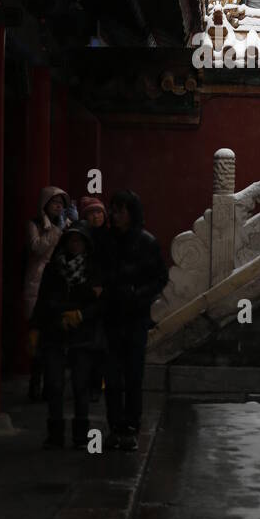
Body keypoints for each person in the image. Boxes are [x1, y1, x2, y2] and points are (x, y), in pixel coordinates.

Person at [100, 191, 168, 452]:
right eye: (113, 210)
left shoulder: (146, 242)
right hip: (111, 317)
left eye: (120, 210)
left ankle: (131, 426)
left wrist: (137, 295)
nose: (115, 215)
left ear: (132, 213)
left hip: (136, 318)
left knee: (133, 377)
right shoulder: (106, 242)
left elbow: (159, 278)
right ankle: (115, 426)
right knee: (112, 378)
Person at [32, 221, 105, 449]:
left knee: (80, 385)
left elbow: (101, 303)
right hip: (54, 331)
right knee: (54, 385)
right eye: (71, 240)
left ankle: (81, 435)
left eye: (79, 240)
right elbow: (43, 299)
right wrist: (37, 327)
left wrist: (81, 315)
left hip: (83, 334)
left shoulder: (94, 269)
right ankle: (55, 434)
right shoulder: (55, 268)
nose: (75, 245)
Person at [24, 186, 78, 401]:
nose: (58, 206)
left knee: (56, 338)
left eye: (61, 202)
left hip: (59, 283)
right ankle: (35, 383)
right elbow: (37, 248)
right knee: (38, 335)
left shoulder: (66, 225)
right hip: (37, 281)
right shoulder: (35, 224)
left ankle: (50, 384)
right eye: (54, 202)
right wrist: (57, 231)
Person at [78, 196, 108, 400]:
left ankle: (96, 385)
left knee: (100, 344)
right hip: (83, 295)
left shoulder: (110, 237)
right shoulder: (79, 237)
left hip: (105, 296)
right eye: (91, 213)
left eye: (99, 212)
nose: (96, 216)